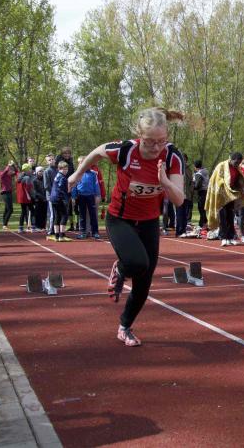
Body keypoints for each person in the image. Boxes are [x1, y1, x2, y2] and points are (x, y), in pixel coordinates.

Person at [68, 107, 185, 347]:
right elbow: (97, 152)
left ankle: (125, 327)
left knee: (144, 281)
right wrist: (77, 174)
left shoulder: (172, 157)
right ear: (139, 136)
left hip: (149, 221)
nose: (156, 147)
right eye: (150, 141)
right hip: (120, 219)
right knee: (136, 263)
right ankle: (120, 269)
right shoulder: (125, 150)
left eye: (161, 141)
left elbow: (179, 200)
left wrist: (164, 182)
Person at [205, 152, 244, 246]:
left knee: (230, 216)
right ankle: (224, 237)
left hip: (231, 195)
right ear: (231, 159)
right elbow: (216, 180)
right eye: (236, 162)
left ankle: (230, 237)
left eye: (239, 163)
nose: (237, 164)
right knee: (223, 216)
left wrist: (238, 188)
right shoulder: (221, 166)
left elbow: (238, 180)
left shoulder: (237, 168)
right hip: (221, 195)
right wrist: (225, 186)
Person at [71, 163, 101, 240]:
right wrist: (73, 197)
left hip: (91, 196)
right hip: (81, 196)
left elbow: (96, 185)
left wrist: (97, 195)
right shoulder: (77, 174)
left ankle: (95, 232)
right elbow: (74, 186)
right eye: (82, 164)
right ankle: (82, 232)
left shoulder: (93, 174)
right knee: (82, 215)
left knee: (93, 215)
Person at [49, 162, 72, 242]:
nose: (65, 171)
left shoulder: (57, 176)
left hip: (53, 198)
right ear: (59, 169)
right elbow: (62, 189)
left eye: (66, 169)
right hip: (59, 198)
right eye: (64, 169)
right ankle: (61, 235)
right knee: (64, 215)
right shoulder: (63, 178)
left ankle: (56, 236)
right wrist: (67, 195)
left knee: (57, 216)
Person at [16, 164, 36, 233]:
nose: (31, 170)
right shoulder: (27, 178)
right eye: (30, 169)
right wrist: (32, 196)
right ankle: (33, 227)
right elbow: (28, 188)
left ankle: (20, 227)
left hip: (21, 197)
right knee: (32, 211)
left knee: (23, 212)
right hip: (27, 197)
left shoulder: (19, 176)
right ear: (26, 170)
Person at [0, 162, 17, 230]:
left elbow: (16, 172)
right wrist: (8, 166)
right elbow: (4, 172)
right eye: (9, 170)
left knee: (7, 209)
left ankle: (4, 224)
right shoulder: (2, 174)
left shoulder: (9, 175)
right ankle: (5, 224)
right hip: (5, 193)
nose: (10, 171)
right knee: (10, 210)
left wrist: (13, 165)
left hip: (9, 192)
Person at [192, 160, 209, 228]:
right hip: (206, 190)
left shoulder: (199, 174)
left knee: (201, 208)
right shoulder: (205, 171)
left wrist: (192, 186)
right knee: (203, 208)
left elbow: (197, 185)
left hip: (201, 192)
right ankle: (205, 221)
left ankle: (201, 224)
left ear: (195, 166)